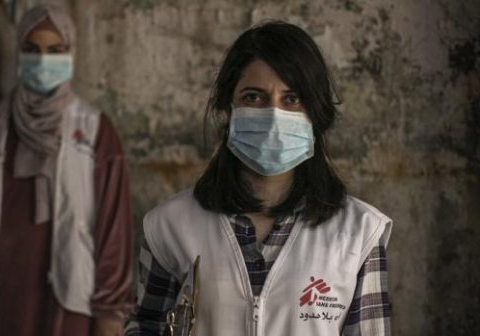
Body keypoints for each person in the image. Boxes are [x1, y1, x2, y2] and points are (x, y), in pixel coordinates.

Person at [125, 21, 392, 336]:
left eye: (291, 99)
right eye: (254, 97)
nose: (274, 116)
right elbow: (145, 327)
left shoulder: (358, 233)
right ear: (228, 108)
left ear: (315, 114)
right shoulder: (169, 226)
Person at [0, 4, 133, 336]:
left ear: (70, 52)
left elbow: (112, 226)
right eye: (33, 50)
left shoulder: (94, 128)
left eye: (55, 50)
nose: (44, 60)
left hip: (69, 299)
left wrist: (111, 309)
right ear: (18, 52)